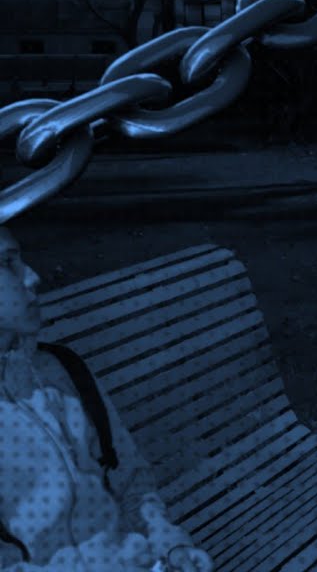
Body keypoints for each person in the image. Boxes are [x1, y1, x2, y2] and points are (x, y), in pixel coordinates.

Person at [0, 228, 213, 571]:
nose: (33, 276)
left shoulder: (64, 372)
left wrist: (171, 546)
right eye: (8, 263)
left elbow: (131, 483)